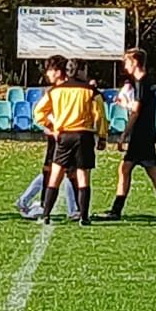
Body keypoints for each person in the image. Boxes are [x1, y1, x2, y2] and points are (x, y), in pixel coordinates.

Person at [106, 47, 156, 221]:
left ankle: (117, 210)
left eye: (127, 62)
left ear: (135, 62)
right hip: (147, 132)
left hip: (141, 133)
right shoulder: (146, 82)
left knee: (137, 169)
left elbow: (136, 110)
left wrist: (124, 134)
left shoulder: (141, 83)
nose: (125, 66)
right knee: (137, 169)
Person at [34, 57, 101, 226]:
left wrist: (54, 125)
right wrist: (102, 136)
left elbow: (39, 113)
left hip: (64, 135)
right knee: (83, 176)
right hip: (84, 135)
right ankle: (84, 216)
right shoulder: (90, 91)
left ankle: (46, 214)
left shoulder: (55, 91)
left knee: (55, 174)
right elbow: (99, 115)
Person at [14, 60, 79, 221]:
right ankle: (37, 203)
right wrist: (54, 127)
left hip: (66, 136)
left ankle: (71, 209)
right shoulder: (55, 91)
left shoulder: (70, 89)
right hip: (58, 137)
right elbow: (41, 112)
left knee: (65, 171)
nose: (47, 74)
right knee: (57, 171)